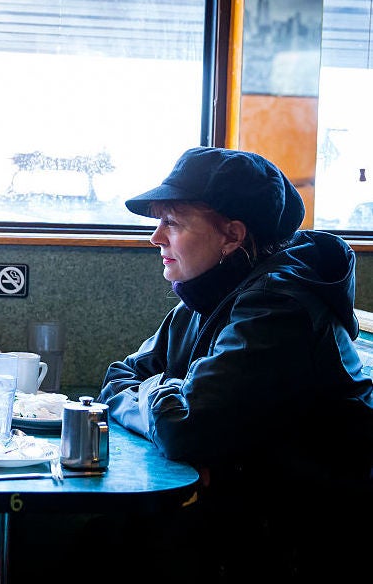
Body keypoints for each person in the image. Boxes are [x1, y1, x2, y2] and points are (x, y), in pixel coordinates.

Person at [91, 147, 373, 581]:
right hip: (236, 514)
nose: (155, 237)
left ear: (232, 236)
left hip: (294, 542)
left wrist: (159, 399)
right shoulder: (204, 293)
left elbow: (183, 427)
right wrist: (165, 397)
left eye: (173, 222)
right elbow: (116, 381)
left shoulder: (279, 308)